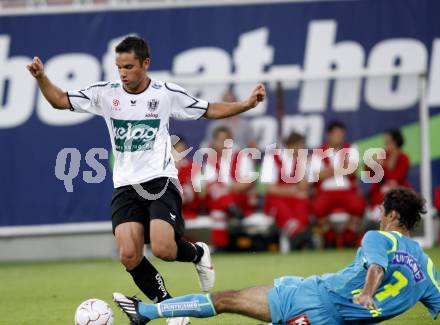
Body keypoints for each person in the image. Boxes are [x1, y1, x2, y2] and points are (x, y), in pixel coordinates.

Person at [27, 36, 266, 325]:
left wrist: (247, 104)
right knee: (129, 255)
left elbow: (209, 109)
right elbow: (60, 101)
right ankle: (170, 309)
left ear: (145, 63)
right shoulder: (106, 93)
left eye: (128, 66)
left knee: (164, 249)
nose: (123, 73)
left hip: (159, 181)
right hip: (125, 186)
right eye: (118, 67)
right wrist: (42, 78)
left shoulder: (165, 94)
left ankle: (197, 252)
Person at [114, 188, 440, 325]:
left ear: (394, 216)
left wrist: (368, 293)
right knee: (226, 298)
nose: (379, 214)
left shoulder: (378, 238)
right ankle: (146, 312)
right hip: (310, 290)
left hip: (322, 312)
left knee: (226, 299)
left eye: (383, 210)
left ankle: (148, 311)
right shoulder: (427, 268)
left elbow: (377, 267)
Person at [311, 121, 366, 247]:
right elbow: (317, 175)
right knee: (318, 208)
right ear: (329, 135)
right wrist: (342, 168)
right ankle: (329, 236)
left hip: (346, 189)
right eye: (336, 135)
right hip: (326, 191)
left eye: (341, 135)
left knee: (358, 206)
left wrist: (330, 170)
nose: (339, 138)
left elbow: (353, 170)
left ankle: (349, 236)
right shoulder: (318, 151)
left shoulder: (351, 148)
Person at [204, 126, 257, 250]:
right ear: (214, 142)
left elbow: (249, 182)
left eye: (226, 139)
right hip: (223, 200)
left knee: (218, 201)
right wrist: (230, 189)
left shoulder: (242, 157)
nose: (224, 143)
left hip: (240, 199)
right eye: (220, 140)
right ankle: (230, 207)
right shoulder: (211, 161)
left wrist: (229, 188)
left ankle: (221, 246)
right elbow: (210, 186)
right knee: (217, 201)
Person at [261, 131, 312, 249]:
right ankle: (298, 237)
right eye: (299, 146)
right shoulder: (272, 158)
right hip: (277, 200)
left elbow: (304, 187)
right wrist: (292, 190)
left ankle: (300, 237)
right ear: (291, 145)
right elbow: (270, 189)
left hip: (295, 199)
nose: (301, 149)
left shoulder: (303, 160)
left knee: (303, 203)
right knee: (282, 209)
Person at [367, 129, 411, 222]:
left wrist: (383, 166)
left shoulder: (404, 158)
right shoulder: (382, 155)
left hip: (398, 194)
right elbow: (370, 175)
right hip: (380, 195)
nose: (386, 145)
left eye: (388, 142)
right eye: (385, 142)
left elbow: (395, 178)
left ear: (395, 142)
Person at [172, 136, 203, 220]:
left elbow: (199, 189)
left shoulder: (192, 166)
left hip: (189, 207)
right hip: (170, 206)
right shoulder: (165, 168)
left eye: (182, 148)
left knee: (186, 189)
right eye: (177, 148)